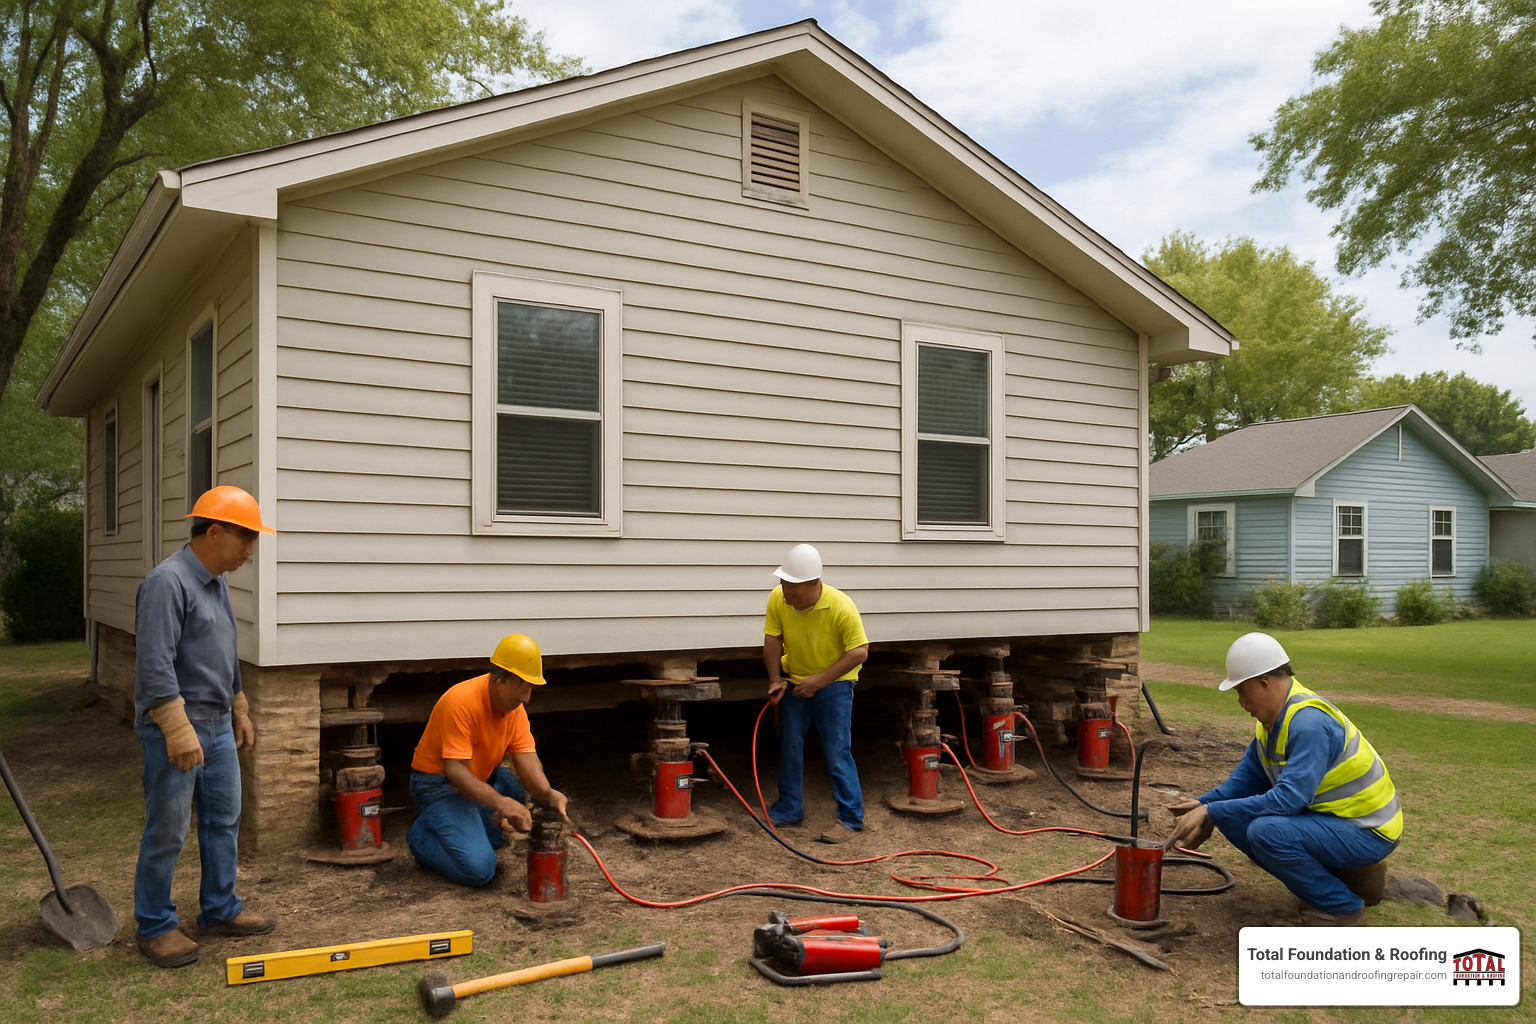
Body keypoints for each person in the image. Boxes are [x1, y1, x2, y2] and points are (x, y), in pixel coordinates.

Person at [132, 485, 277, 968]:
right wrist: (176, 728)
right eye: (245, 538)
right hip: (177, 723)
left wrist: (240, 707)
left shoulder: (216, 582)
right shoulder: (166, 583)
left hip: (216, 724)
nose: (250, 550)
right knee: (168, 831)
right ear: (214, 532)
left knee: (223, 822)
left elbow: (225, 652)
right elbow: (154, 665)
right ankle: (155, 926)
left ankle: (219, 909)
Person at [1164, 632, 1402, 926]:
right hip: (1333, 821)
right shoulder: (1271, 723)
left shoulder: (1309, 724)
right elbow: (1247, 779)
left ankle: (1342, 909)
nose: (1240, 701)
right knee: (1232, 816)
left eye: (1242, 691)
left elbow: (1290, 799)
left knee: (1267, 831)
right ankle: (1343, 880)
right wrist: (1205, 804)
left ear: (1264, 682)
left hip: (1368, 830)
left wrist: (1213, 810)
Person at [407, 634, 569, 887]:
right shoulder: (460, 702)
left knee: (499, 831)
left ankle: (471, 819)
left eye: (530, 690)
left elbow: (526, 759)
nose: (526, 698)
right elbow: (455, 770)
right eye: (521, 689)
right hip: (438, 786)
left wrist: (548, 795)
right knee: (480, 869)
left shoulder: (514, 708)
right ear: (499, 681)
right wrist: (502, 803)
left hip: (476, 779)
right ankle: (421, 836)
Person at [763, 543, 870, 844]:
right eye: (783, 584)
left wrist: (820, 681)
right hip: (796, 680)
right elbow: (772, 641)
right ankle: (788, 808)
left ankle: (850, 817)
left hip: (835, 683)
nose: (786, 594)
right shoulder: (779, 598)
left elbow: (860, 652)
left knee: (837, 749)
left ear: (814, 584)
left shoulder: (841, 607)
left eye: (792, 588)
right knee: (790, 744)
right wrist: (775, 680)